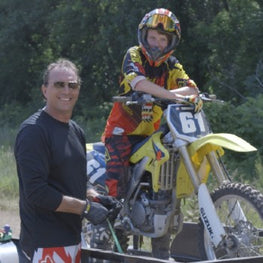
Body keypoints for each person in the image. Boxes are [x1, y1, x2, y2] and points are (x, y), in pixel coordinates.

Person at [90, 8, 203, 259]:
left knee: (162, 185)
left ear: (171, 42)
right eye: (153, 37)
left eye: (163, 39)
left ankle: (160, 244)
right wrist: (174, 96)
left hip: (151, 134)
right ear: (144, 36)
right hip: (121, 132)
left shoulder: (172, 65)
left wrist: (185, 95)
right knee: (115, 183)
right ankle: (104, 227)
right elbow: (139, 83)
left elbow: (192, 88)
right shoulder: (134, 55)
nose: (157, 43)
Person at [14, 59, 114, 263]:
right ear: (44, 90)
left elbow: (72, 180)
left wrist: (95, 197)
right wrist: (85, 208)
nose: (66, 90)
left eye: (72, 85)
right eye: (59, 84)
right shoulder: (34, 131)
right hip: (44, 245)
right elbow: (37, 192)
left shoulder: (76, 131)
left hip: (73, 240)